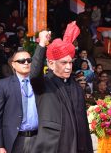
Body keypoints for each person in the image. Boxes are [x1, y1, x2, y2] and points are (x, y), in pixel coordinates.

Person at [31, 22, 93, 153]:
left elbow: (83, 124)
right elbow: (35, 73)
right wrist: (42, 44)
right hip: (52, 147)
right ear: (52, 64)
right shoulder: (43, 84)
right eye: (64, 63)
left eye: (70, 62)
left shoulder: (76, 87)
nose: (69, 67)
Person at [0, 31, 49, 153]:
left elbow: (39, 64)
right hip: (15, 140)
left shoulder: (39, 83)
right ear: (13, 65)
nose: (26, 63)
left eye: (28, 60)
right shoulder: (4, 84)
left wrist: (42, 44)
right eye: (21, 61)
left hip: (38, 139)